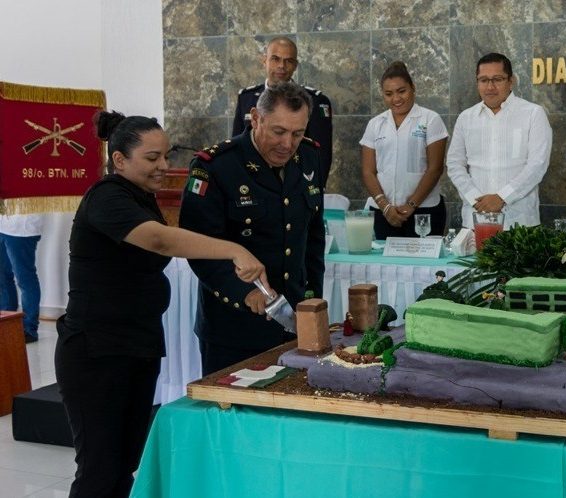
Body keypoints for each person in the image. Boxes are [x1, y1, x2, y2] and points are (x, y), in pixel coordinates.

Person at [55, 111, 267, 498]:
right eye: (152, 158)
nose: (164, 166)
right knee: (99, 470)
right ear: (119, 159)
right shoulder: (106, 197)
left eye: (166, 156)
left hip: (137, 345)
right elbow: (161, 241)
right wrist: (235, 249)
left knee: (125, 464)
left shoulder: (141, 198)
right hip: (97, 351)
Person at [182, 82, 326, 374]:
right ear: (256, 118)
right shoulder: (217, 166)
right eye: (279, 132)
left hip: (293, 322)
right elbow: (197, 246)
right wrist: (244, 292)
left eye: (298, 134)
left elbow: (312, 238)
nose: (288, 144)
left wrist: (310, 303)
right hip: (234, 329)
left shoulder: (309, 158)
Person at [447, 52, 552, 228]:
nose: (490, 87)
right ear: (477, 82)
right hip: (475, 219)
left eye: (497, 79)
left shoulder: (533, 114)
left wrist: (502, 197)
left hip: (519, 222)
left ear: (511, 81)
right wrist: (475, 198)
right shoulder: (466, 118)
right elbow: (454, 164)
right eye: (483, 80)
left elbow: (537, 165)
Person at [360, 61, 449, 239]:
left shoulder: (430, 119)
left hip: (424, 211)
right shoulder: (376, 124)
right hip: (383, 212)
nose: (396, 99)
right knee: (385, 267)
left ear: (413, 88)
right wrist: (385, 206)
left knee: (423, 267)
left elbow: (435, 168)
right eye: (389, 94)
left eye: (402, 91)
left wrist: (411, 205)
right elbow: (368, 171)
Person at [232, 36, 334, 188]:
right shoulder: (246, 98)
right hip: (253, 182)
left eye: (289, 61)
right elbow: (238, 145)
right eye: (275, 59)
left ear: (295, 65)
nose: (281, 66)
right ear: (264, 60)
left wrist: (315, 190)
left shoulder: (315, 101)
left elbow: (321, 153)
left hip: (295, 184)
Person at [0, 212, 43, 343]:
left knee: (25, 279)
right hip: (3, 225)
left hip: (22, 229)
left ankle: (29, 329)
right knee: (2, 276)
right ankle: (7, 322)